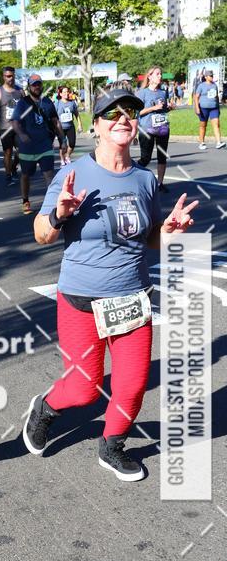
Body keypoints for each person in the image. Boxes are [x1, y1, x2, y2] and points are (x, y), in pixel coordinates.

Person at [24, 86, 198, 481]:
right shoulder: (74, 174)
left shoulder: (143, 179)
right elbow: (40, 235)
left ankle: (113, 444)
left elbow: (151, 237)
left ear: (136, 127)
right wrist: (57, 215)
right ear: (96, 127)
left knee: (133, 385)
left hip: (133, 298)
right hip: (81, 298)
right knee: (85, 391)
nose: (123, 119)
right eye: (112, 114)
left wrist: (170, 230)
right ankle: (46, 408)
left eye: (130, 113)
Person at [11, 73, 67, 215]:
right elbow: (15, 122)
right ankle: (25, 200)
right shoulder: (23, 103)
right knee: (26, 175)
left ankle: (51, 204)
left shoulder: (48, 102)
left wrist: (63, 140)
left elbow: (56, 122)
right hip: (28, 146)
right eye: (34, 85)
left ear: (42, 85)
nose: (37, 87)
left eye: (39, 84)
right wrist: (22, 135)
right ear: (29, 87)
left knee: (49, 175)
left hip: (45, 145)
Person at [137, 65, 174, 192]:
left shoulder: (163, 92)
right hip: (147, 129)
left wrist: (169, 107)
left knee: (162, 156)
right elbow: (137, 112)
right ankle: (135, 180)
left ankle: (160, 184)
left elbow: (163, 109)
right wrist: (153, 108)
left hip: (162, 128)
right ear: (150, 76)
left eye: (160, 74)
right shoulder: (142, 93)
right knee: (145, 159)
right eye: (157, 74)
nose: (160, 76)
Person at [0, 66, 22, 187]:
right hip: (4, 126)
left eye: (12, 75)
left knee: (21, 151)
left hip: (18, 126)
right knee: (8, 152)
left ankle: (13, 167)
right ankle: (8, 175)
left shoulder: (20, 91)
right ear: (3, 77)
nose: (11, 78)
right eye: (8, 76)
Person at [194, 70, 226, 150]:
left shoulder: (214, 85)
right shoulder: (201, 86)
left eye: (212, 75)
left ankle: (218, 142)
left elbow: (216, 97)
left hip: (214, 108)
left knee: (216, 124)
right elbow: (196, 97)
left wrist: (218, 107)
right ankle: (201, 143)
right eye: (210, 76)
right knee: (203, 125)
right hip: (203, 108)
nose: (212, 77)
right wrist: (197, 108)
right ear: (206, 77)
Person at [54, 85, 83, 165]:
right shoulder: (57, 104)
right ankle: (62, 159)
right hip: (61, 128)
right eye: (64, 92)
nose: (67, 93)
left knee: (72, 144)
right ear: (60, 94)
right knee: (63, 145)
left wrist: (80, 125)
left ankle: (67, 156)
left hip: (70, 126)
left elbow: (77, 115)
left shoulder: (72, 103)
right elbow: (53, 117)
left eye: (68, 92)